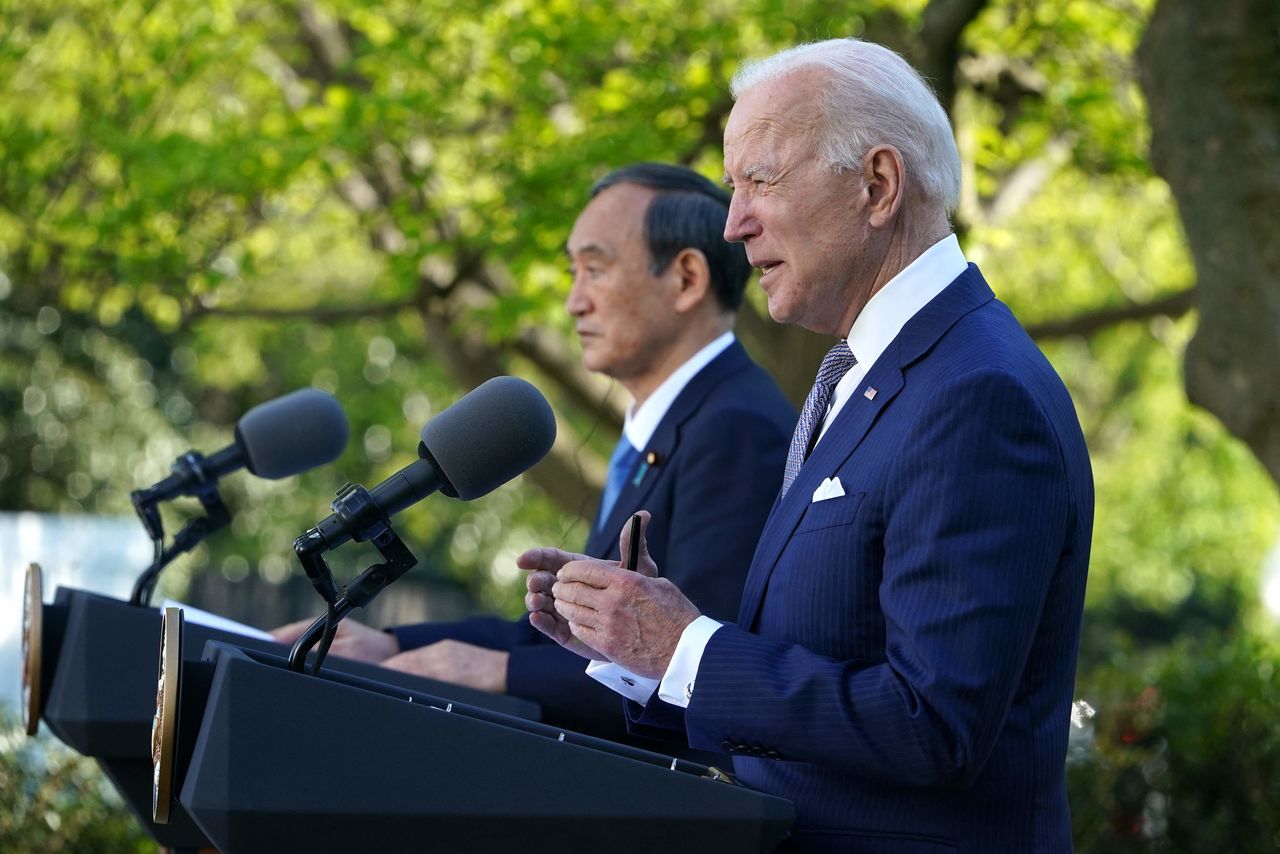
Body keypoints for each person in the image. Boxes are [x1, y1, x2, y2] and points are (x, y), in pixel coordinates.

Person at [521, 39, 1094, 852]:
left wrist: (685, 646)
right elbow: (809, 691)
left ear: (878, 185)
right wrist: (639, 653)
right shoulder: (863, 375)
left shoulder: (977, 392)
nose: (734, 223)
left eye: (761, 180)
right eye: (733, 188)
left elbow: (933, 727)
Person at [274, 163, 796, 745]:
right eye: (572, 274)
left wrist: (499, 672)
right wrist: (394, 644)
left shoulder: (737, 430)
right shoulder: (678, 425)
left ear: (686, 278)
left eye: (594, 270)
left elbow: (697, 665)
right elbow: (574, 640)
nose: (574, 303)